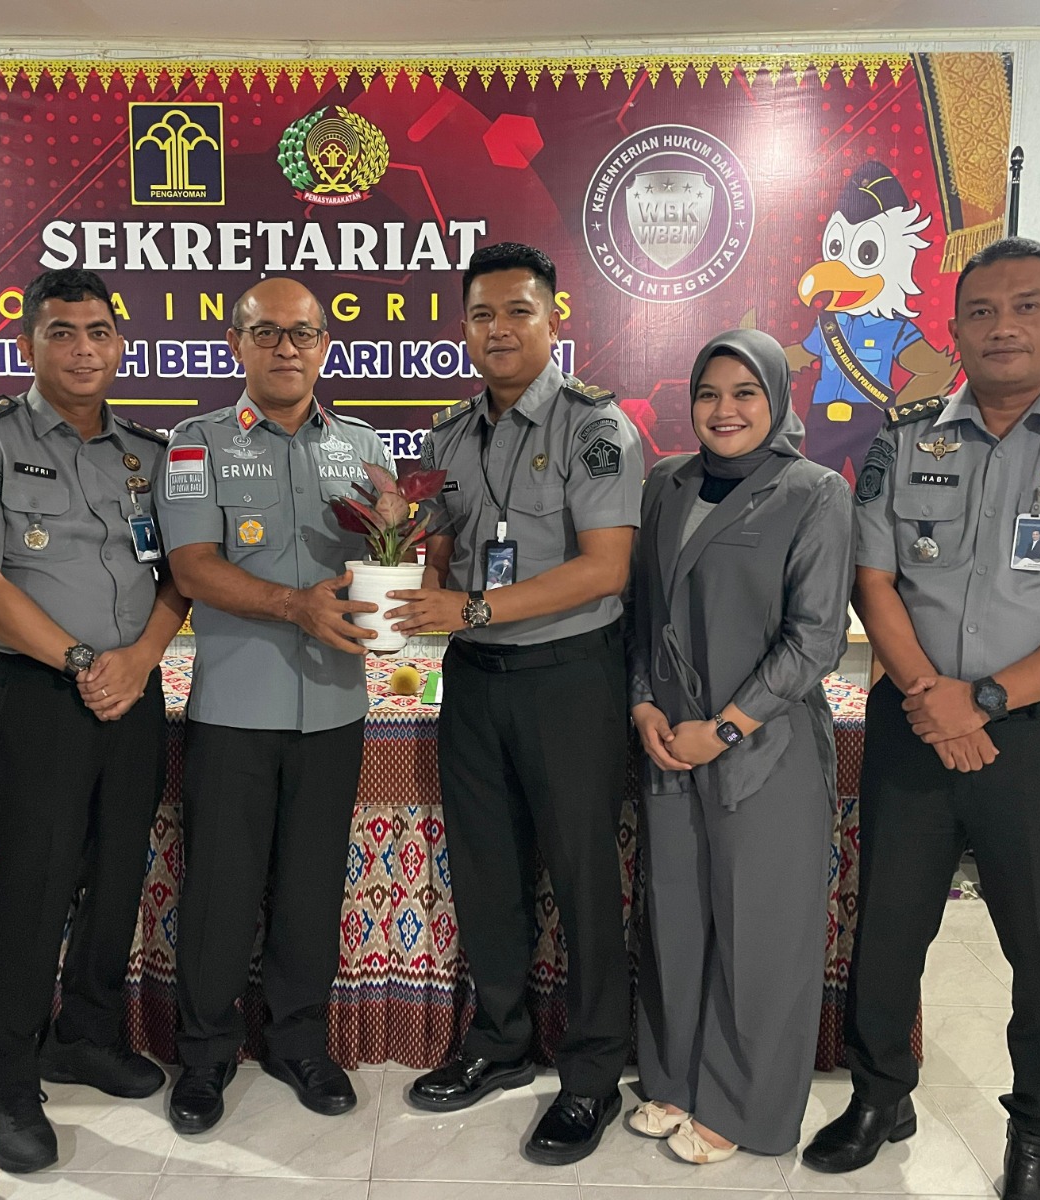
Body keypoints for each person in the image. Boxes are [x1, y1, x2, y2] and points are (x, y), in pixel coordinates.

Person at [802, 238, 1040, 1200]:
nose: (1003, 326)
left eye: (1026, 306)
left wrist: (985, 699)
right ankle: (880, 1097)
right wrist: (935, 699)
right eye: (982, 310)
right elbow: (874, 581)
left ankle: (1038, 1139)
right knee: (888, 929)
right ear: (954, 328)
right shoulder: (904, 437)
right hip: (913, 720)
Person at [387, 242, 644, 1165]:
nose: (498, 330)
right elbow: (437, 550)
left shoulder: (595, 427)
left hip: (568, 678)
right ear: (464, 327)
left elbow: (605, 568)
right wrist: (403, 568)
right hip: (475, 682)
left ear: (553, 318)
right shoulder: (449, 436)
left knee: (582, 877)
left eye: (518, 311)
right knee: (487, 870)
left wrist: (472, 606)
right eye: (482, 315)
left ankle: (593, 1069)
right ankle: (499, 1041)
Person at [0, 267, 189, 1173]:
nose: (83, 350)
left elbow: (181, 573)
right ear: (29, 344)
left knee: (119, 872)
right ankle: (11, 1076)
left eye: (98, 332)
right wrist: (85, 663)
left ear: (120, 344)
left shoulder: (148, 452)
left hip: (134, 690)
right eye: (61, 333)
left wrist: (141, 658)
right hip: (41, 694)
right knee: (36, 883)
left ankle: (85, 1034)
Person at [159, 278, 392, 1133]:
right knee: (220, 892)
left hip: (335, 707)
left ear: (326, 346)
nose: (286, 348)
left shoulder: (364, 447)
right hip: (235, 709)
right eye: (267, 333)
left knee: (309, 888)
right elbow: (192, 568)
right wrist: (296, 606)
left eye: (302, 333)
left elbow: (390, 559)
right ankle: (204, 1056)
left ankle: (301, 1044)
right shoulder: (196, 444)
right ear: (237, 344)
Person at [626, 328, 855, 1164]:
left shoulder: (815, 493)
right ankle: (674, 1078)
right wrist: (643, 704)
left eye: (745, 393)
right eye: (709, 394)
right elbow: (643, 610)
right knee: (676, 918)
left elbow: (815, 639)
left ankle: (748, 1107)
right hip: (670, 744)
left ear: (776, 400)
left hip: (762, 748)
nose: (724, 410)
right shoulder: (666, 482)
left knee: (761, 932)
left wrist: (724, 728)